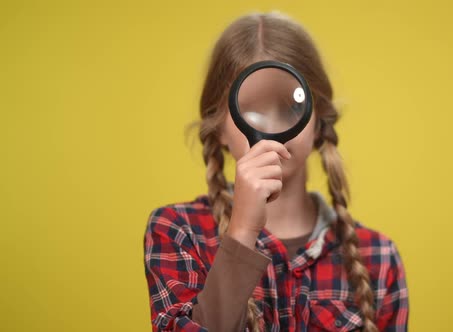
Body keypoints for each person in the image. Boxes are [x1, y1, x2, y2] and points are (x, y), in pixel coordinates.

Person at [143, 11, 409, 332]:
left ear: (318, 120)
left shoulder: (377, 257)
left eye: (290, 106)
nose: (271, 130)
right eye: (251, 110)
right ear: (220, 129)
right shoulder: (177, 232)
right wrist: (241, 232)